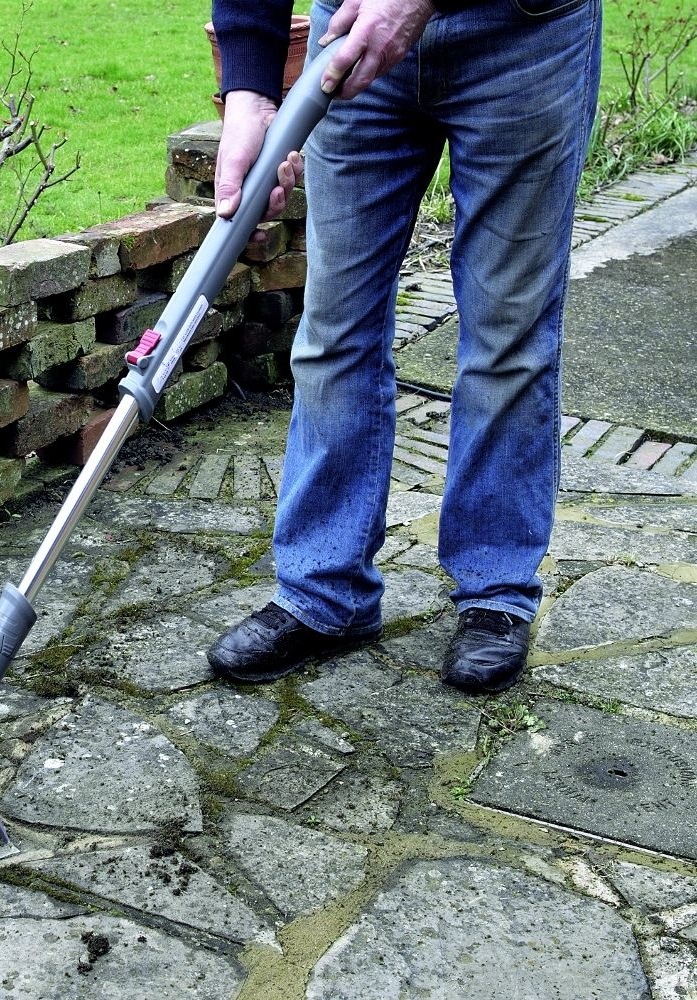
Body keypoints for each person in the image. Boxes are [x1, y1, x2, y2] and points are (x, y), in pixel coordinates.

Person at [205, 0, 602, 693]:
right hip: (353, 39)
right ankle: (324, 591)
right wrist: (249, 91)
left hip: (527, 35)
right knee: (333, 332)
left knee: (508, 335)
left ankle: (494, 590)